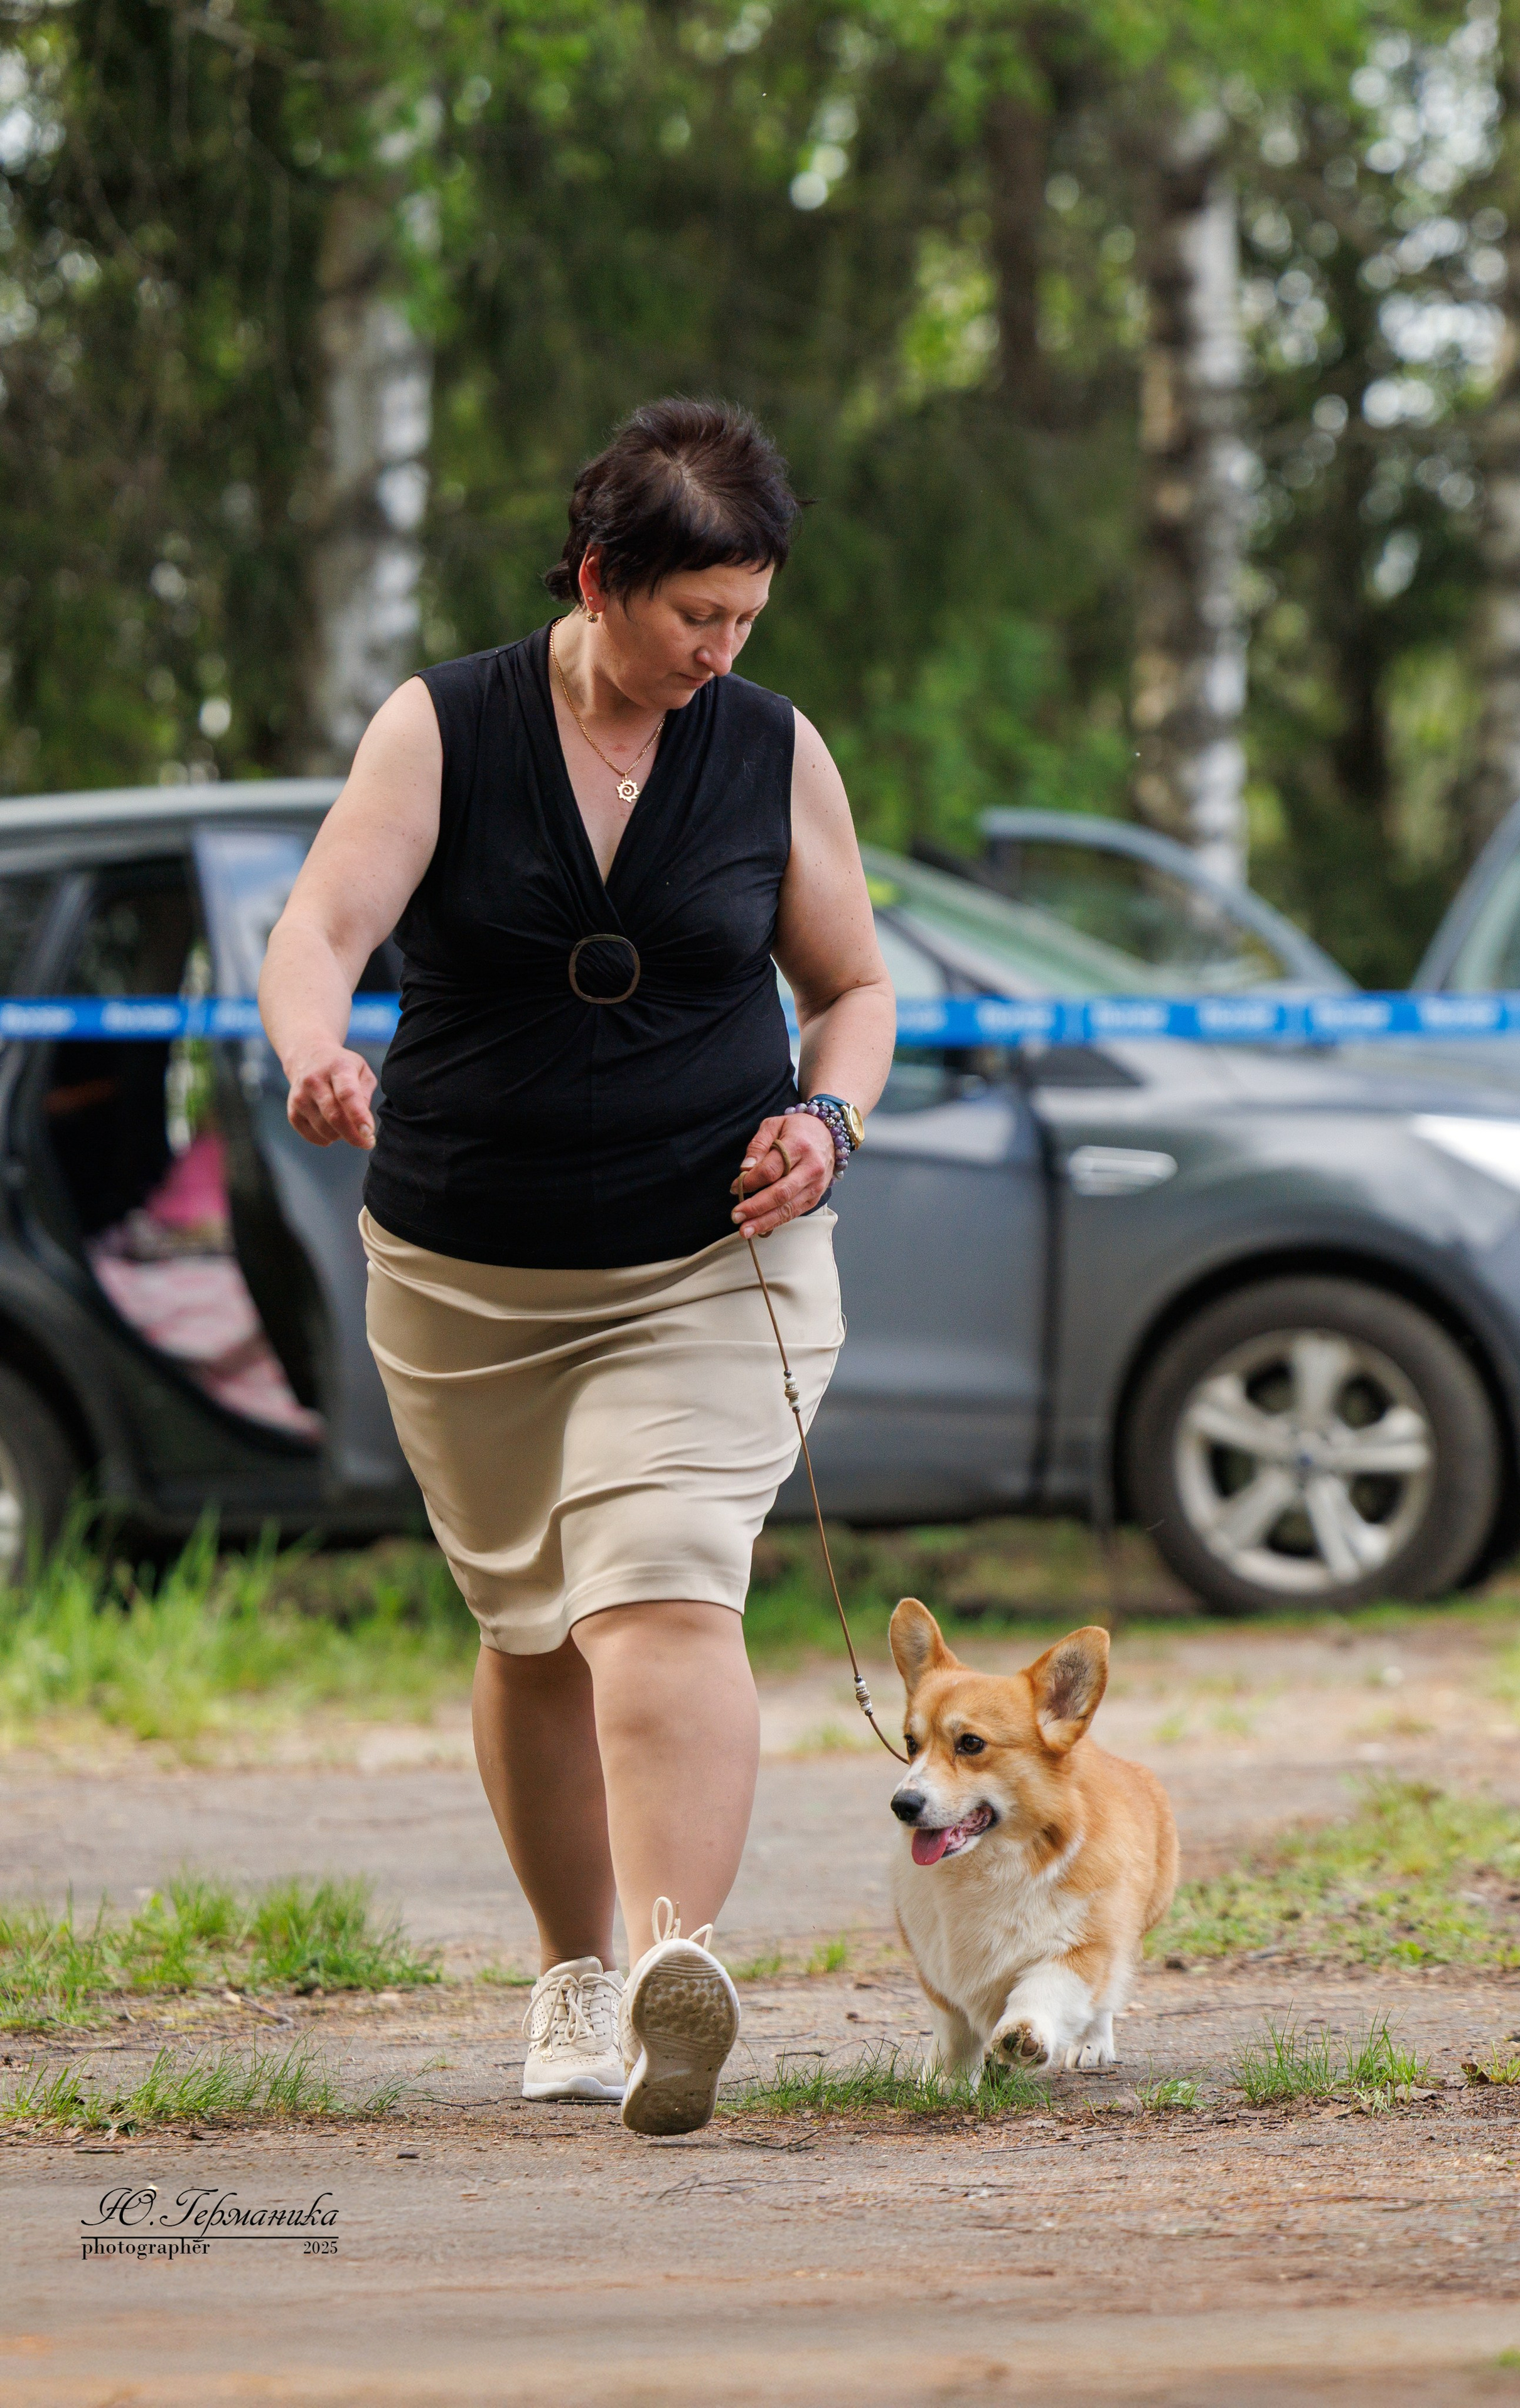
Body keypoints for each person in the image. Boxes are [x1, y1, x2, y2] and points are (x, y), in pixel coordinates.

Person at [259, 398, 896, 2135]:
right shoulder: (445, 726)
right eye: (697, 615)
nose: (722, 651)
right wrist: (315, 1050)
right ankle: (571, 1966)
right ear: (602, 580)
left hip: (706, 1259)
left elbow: (853, 989)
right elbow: (320, 927)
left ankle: (675, 1968)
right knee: (531, 1623)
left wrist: (827, 1122)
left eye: (747, 618)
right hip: (468, 1273)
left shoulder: (770, 748)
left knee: (664, 1582)